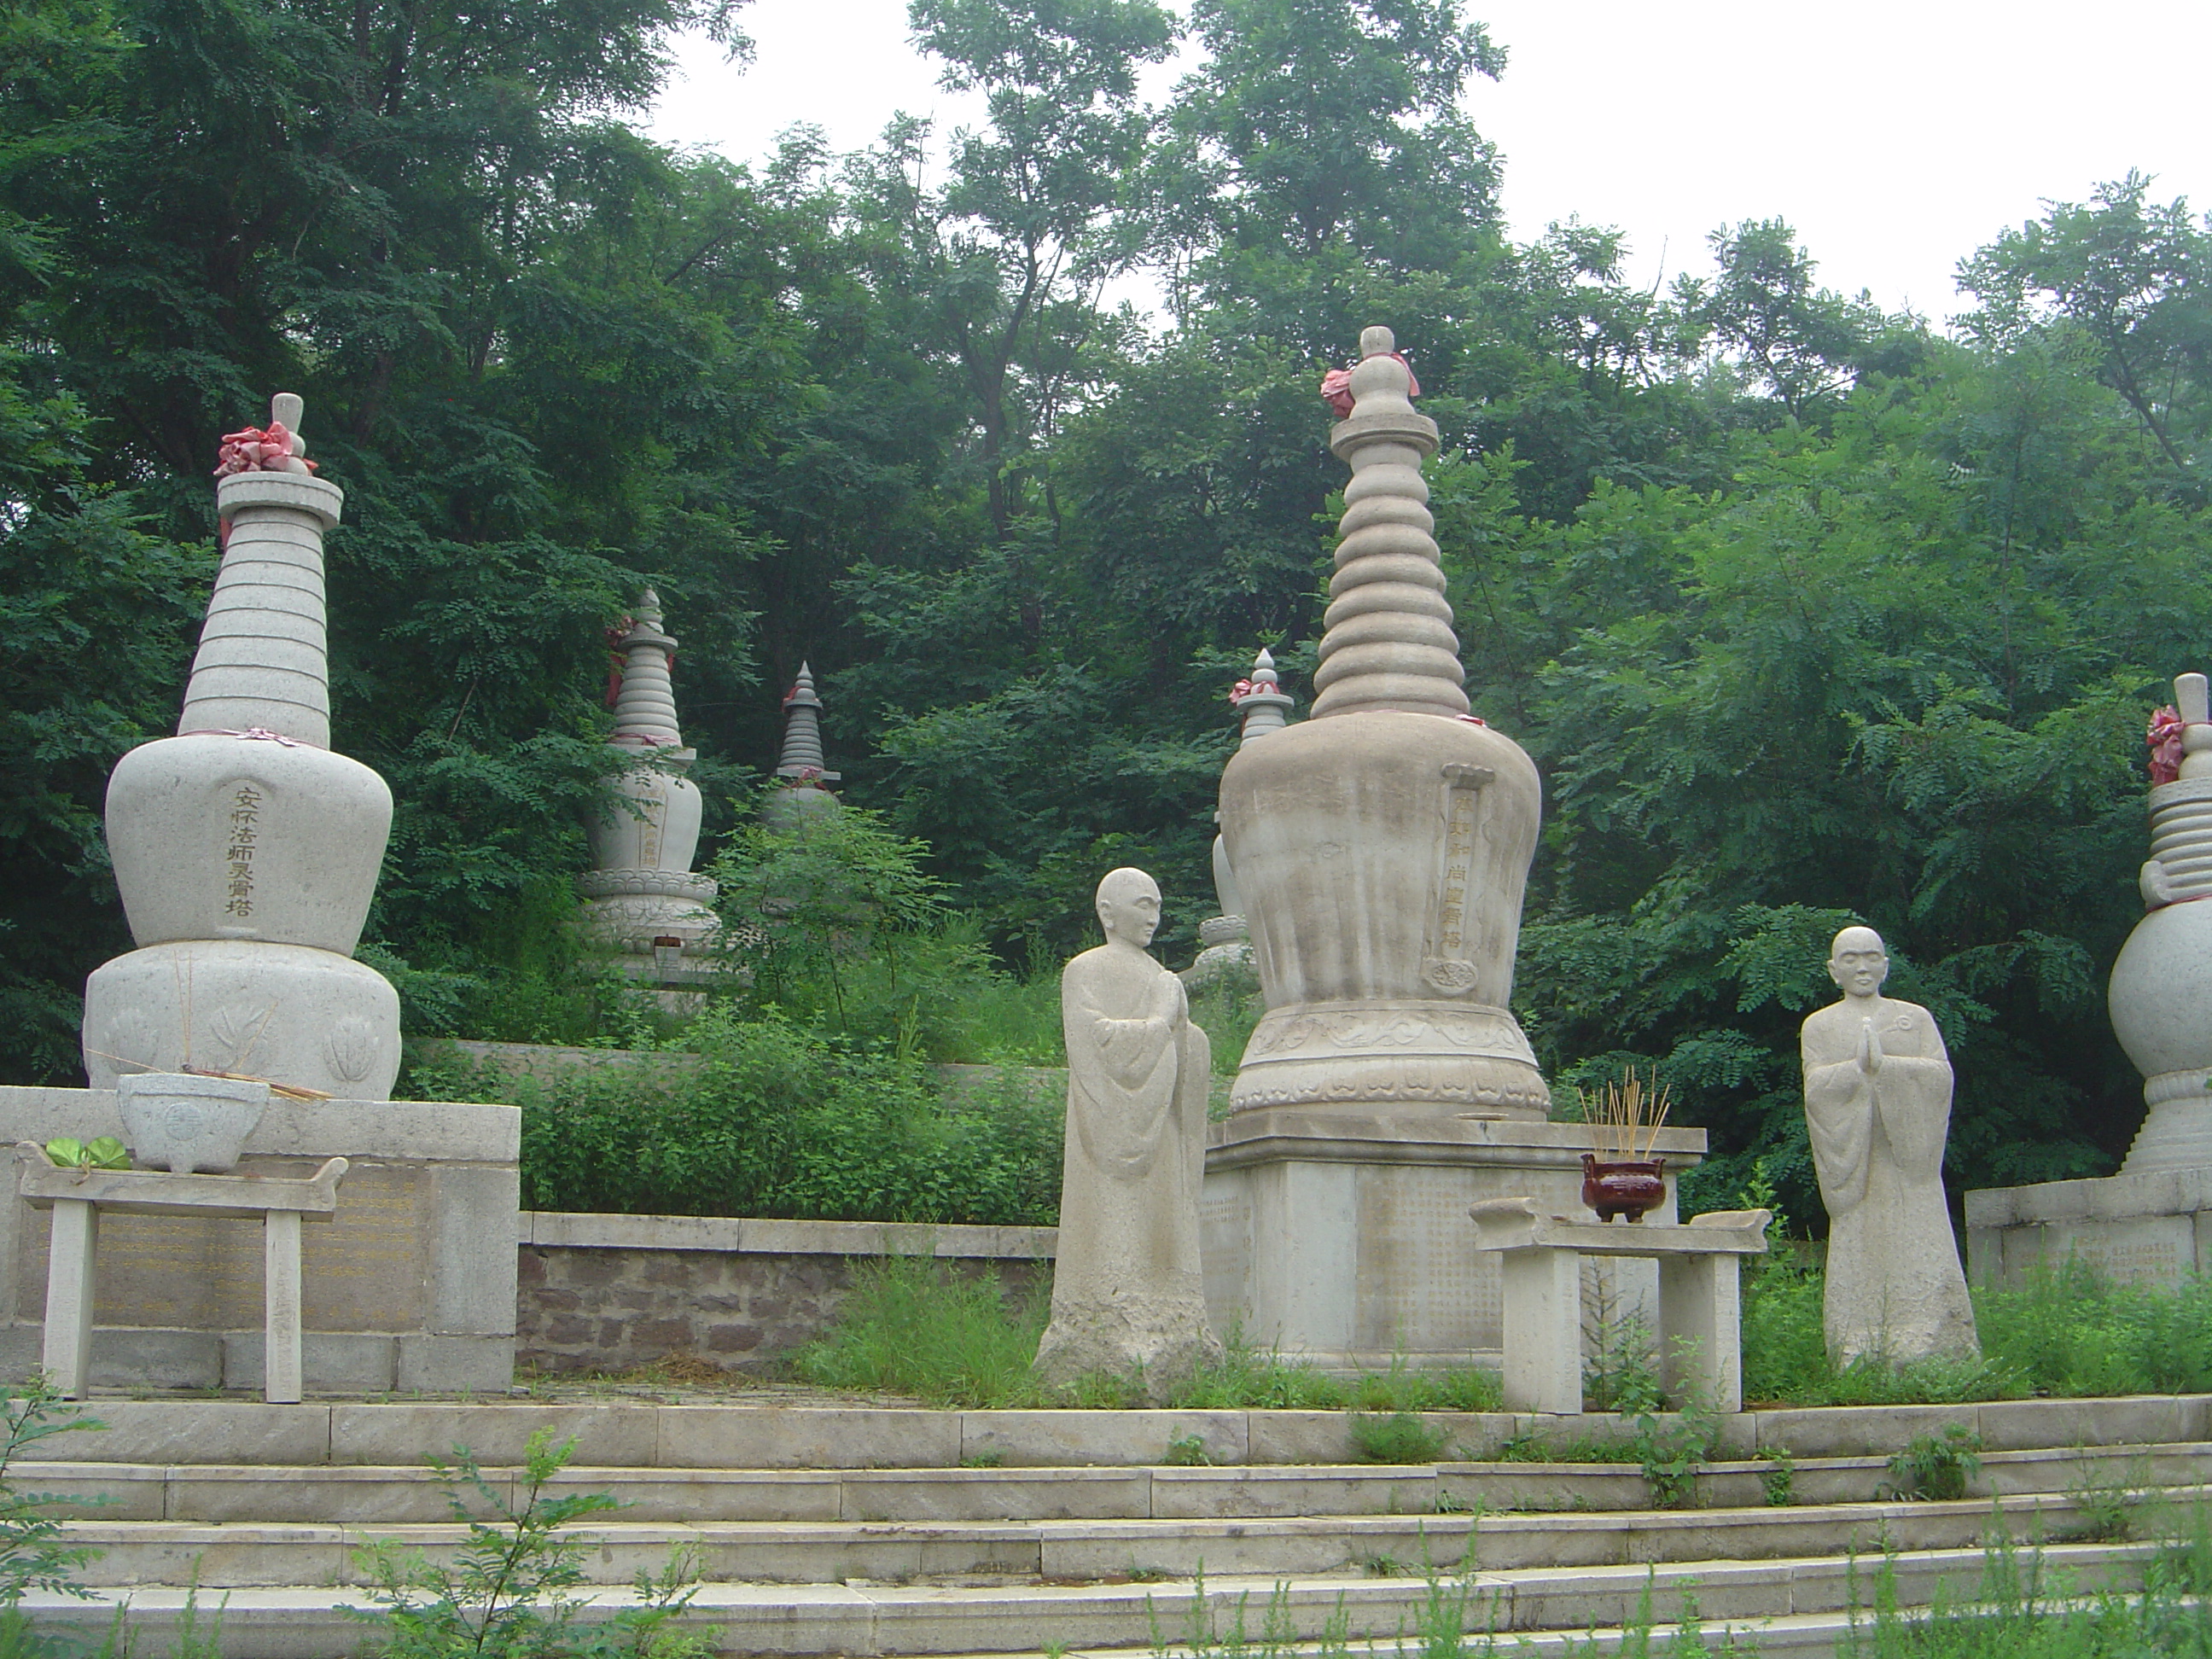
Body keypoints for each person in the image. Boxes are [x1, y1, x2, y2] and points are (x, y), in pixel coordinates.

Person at [1033, 868, 1221, 1396]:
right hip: (1105, 1121)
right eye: (1142, 904)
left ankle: (1168, 1319)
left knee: (1157, 1220)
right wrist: (1161, 1023)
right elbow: (1092, 1041)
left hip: (1160, 1126)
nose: (1153, 916)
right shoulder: (1084, 970)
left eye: (1158, 905)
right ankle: (1098, 1322)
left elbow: (1189, 1047)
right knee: (1109, 1225)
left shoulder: (1164, 977)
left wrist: (1182, 1035)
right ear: (1107, 912)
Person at [1801, 926, 1980, 1365]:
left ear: (1886, 964)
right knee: (1858, 1239)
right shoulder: (1819, 1025)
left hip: (1908, 1159)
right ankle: (1857, 1340)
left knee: (1920, 1234)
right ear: (1832, 970)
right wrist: (1857, 1070)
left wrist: (1889, 1068)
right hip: (1857, 1157)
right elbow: (1815, 1088)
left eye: (1871, 956)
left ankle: (1938, 1341)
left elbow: (1940, 1076)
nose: (1861, 966)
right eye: (1849, 958)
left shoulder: (1914, 1018)